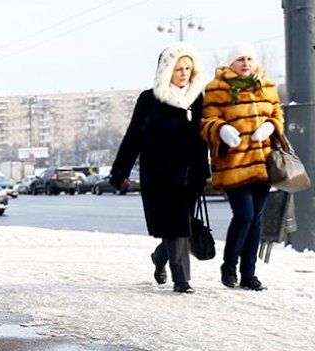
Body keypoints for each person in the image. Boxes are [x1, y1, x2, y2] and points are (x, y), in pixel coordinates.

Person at [110, 42, 210, 294]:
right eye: (178, 68)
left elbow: (202, 139)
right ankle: (182, 280)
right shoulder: (149, 99)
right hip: (159, 174)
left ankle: (159, 257)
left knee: (181, 225)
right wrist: (119, 172)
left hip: (189, 175)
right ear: (166, 70)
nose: (184, 73)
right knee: (176, 224)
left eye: (188, 68)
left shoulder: (197, 99)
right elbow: (134, 136)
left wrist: (203, 171)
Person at [200, 42, 283, 291]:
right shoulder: (217, 88)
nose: (245, 63)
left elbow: (277, 113)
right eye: (240, 59)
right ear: (230, 63)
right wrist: (221, 129)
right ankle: (229, 266)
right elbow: (206, 121)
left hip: (262, 162)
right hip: (233, 164)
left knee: (256, 219)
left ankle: (249, 274)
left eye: (248, 58)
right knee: (244, 215)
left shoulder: (266, 85)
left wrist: (271, 126)